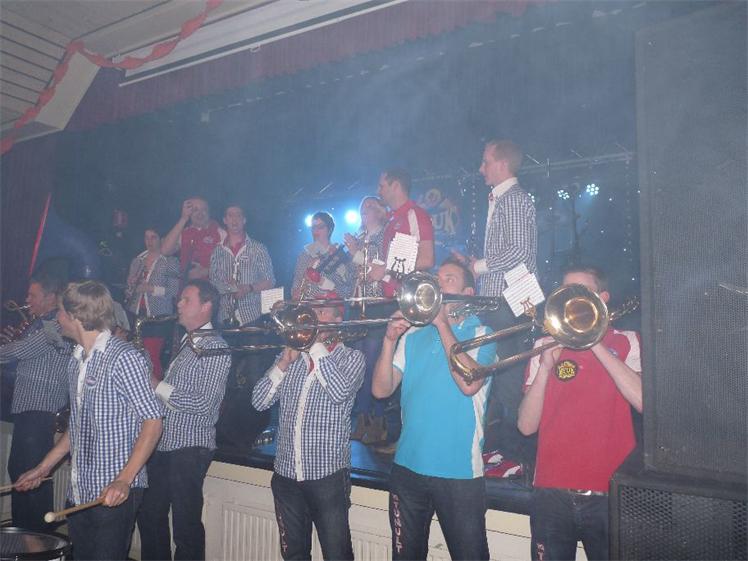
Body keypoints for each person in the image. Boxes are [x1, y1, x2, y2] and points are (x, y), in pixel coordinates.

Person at [15, 281, 164, 561]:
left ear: (75, 316)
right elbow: (77, 426)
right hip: (80, 491)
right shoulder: (76, 360)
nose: (57, 318)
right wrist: (42, 468)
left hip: (114, 492)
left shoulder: (124, 358)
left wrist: (123, 480)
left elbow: (153, 421)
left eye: (60, 312)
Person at [372, 258, 497, 561]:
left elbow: (468, 384)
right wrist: (389, 340)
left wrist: (442, 323)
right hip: (407, 468)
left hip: (458, 473)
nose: (438, 286)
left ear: (467, 294)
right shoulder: (413, 334)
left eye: (448, 279)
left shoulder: (483, 333)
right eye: (436, 279)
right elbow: (381, 390)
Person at [517, 266, 642, 561]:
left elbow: (643, 401)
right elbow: (525, 426)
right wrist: (545, 368)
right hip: (551, 492)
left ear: (603, 298)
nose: (571, 300)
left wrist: (594, 340)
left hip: (611, 492)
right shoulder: (543, 346)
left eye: (581, 292)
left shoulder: (627, 340)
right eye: (565, 292)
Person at [251, 294, 365, 561]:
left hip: (327, 475)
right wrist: (282, 363)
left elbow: (339, 392)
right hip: (286, 474)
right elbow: (258, 401)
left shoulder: (352, 358)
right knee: (294, 555)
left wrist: (314, 347)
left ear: (338, 320)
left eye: (322, 312)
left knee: (337, 554)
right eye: (311, 311)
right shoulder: (291, 357)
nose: (313, 317)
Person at [452, 139, 537, 464]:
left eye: (485, 161)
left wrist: (478, 266)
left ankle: (514, 454)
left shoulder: (513, 198)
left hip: (509, 299)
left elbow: (519, 251)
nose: (481, 168)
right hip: (500, 297)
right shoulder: (503, 199)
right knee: (500, 374)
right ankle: (503, 449)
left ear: (502, 164)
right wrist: (475, 264)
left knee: (508, 377)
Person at [138, 280, 231, 561]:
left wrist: (157, 385)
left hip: (190, 446)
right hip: (165, 443)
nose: (178, 304)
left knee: (185, 525)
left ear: (206, 306)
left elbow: (204, 404)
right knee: (149, 514)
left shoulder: (216, 347)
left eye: (186, 300)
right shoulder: (186, 343)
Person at [1, 274, 70, 531]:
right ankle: (24, 534)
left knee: (33, 474)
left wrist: (10, 347)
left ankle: (40, 538)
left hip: (41, 408)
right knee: (20, 471)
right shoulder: (38, 323)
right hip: (27, 407)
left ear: (50, 297)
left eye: (33, 295)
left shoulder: (54, 325)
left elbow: (22, 351)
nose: (27, 300)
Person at [344, 196, 390, 443]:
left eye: (369, 208)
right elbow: (354, 272)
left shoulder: (385, 236)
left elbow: (380, 269)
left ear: (380, 212)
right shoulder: (360, 237)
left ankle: (379, 418)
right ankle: (362, 417)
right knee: (358, 364)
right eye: (362, 208)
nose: (364, 212)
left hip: (376, 304)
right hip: (357, 303)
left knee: (374, 363)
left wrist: (355, 252)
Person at [371, 168, 435, 297]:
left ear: (395, 186)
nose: (378, 191)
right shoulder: (391, 219)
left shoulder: (415, 214)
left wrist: (386, 269)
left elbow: (427, 259)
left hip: (409, 296)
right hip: (391, 295)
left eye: (381, 186)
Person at [209, 205, 275, 326]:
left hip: (252, 317)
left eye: (238, 215)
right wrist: (229, 288)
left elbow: (270, 282)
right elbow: (213, 284)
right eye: (230, 215)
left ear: (244, 220)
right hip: (224, 317)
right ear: (225, 220)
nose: (235, 219)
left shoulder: (258, 248)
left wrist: (248, 288)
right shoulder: (217, 251)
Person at [126, 228, 179, 377]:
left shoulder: (170, 261)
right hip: (136, 314)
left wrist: (151, 288)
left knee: (152, 356)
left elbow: (174, 291)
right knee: (137, 355)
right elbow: (129, 292)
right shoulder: (137, 260)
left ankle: (155, 387)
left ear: (162, 239)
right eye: (146, 237)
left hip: (158, 316)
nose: (149, 241)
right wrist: (131, 286)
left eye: (153, 237)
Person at [291, 211, 354, 300]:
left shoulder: (340, 255)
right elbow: (296, 284)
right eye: (313, 227)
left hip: (332, 305)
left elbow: (348, 291)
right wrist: (295, 292)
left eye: (320, 227)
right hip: (308, 304)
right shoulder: (304, 254)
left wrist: (327, 284)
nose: (315, 231)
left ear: (330, 229)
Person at [161, 197, 226, 282]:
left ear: (209, 212)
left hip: (211, 286)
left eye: (204, 210)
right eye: (195, 210)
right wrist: (183, 219)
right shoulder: (185, 233)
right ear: (189, 213)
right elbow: (165, 251)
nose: (200, 213)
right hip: (186, 286)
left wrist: (206, 271)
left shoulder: (220, 233)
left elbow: (231, 264)